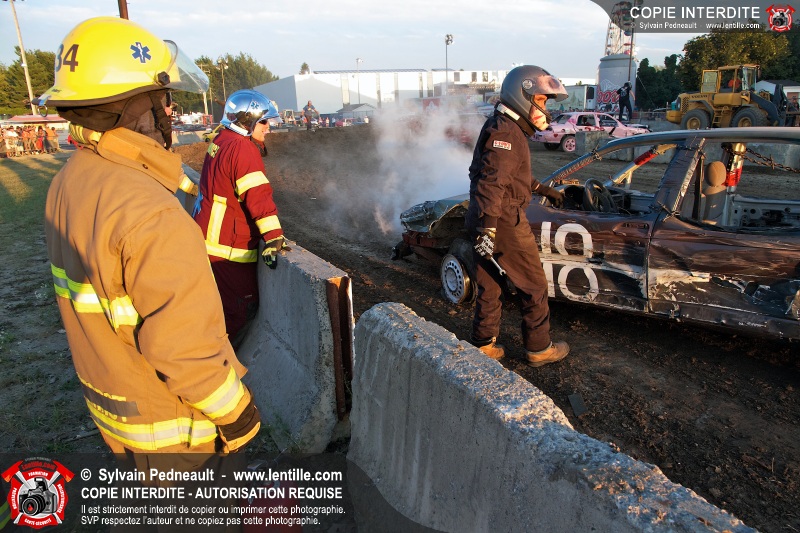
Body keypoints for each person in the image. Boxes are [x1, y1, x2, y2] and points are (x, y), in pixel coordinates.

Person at [39, 17, 261, 459]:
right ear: (132, 107)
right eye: (162, 99)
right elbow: (184, 348)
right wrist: (238, 414)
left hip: (116, 412)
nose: (169, 112)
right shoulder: (151, 212)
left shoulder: (69, 181)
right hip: (172, 436)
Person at [466, 64, 570, 367]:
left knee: (491, 283)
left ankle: (483, 343)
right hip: (502, 220)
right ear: (521, 95)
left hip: (483, 216)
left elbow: (508, 173)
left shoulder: (501, 125)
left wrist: (543, 189)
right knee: (534, 285)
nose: (545, 108)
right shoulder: (508, 132)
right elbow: (493, 182)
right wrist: (489, 229)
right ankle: (539, 348)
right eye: (541, 100)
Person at [192, 89, 285, 346]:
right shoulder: (242, 149)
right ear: (247, 121)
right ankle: (215, 363)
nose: (268, 128)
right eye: (263, 122)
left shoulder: (222, 139)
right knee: (238, 311)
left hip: (208, 240)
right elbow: (258, 196)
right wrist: (274, 237)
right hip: (226, 250)